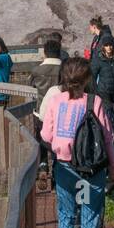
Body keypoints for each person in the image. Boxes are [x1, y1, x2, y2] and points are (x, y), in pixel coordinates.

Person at [40, 57, 114, 228]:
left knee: (66, 212)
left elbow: (46, 136)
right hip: (89, 171)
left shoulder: (56, 101)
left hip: (65, 169)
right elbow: (108, 138)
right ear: (86, 79)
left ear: (65, 78)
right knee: (90, 215)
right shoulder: (94, 102)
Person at [30, 36, 64, 177]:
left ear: (45, 52)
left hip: (41, 112)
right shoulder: (64, 69)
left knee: (42, 138)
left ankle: (43, 166)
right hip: (61, 111)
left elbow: (30, 88)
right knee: (60, 138)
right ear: (59, 52)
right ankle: (58, 167)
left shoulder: (37, 70)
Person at [89, 34, 114, 107]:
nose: (109, 47)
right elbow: (92, 79)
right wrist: (97, 94)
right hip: (104, 95)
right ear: (103, 47)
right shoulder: (98, 61)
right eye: (106, 45)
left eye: (110, 45)